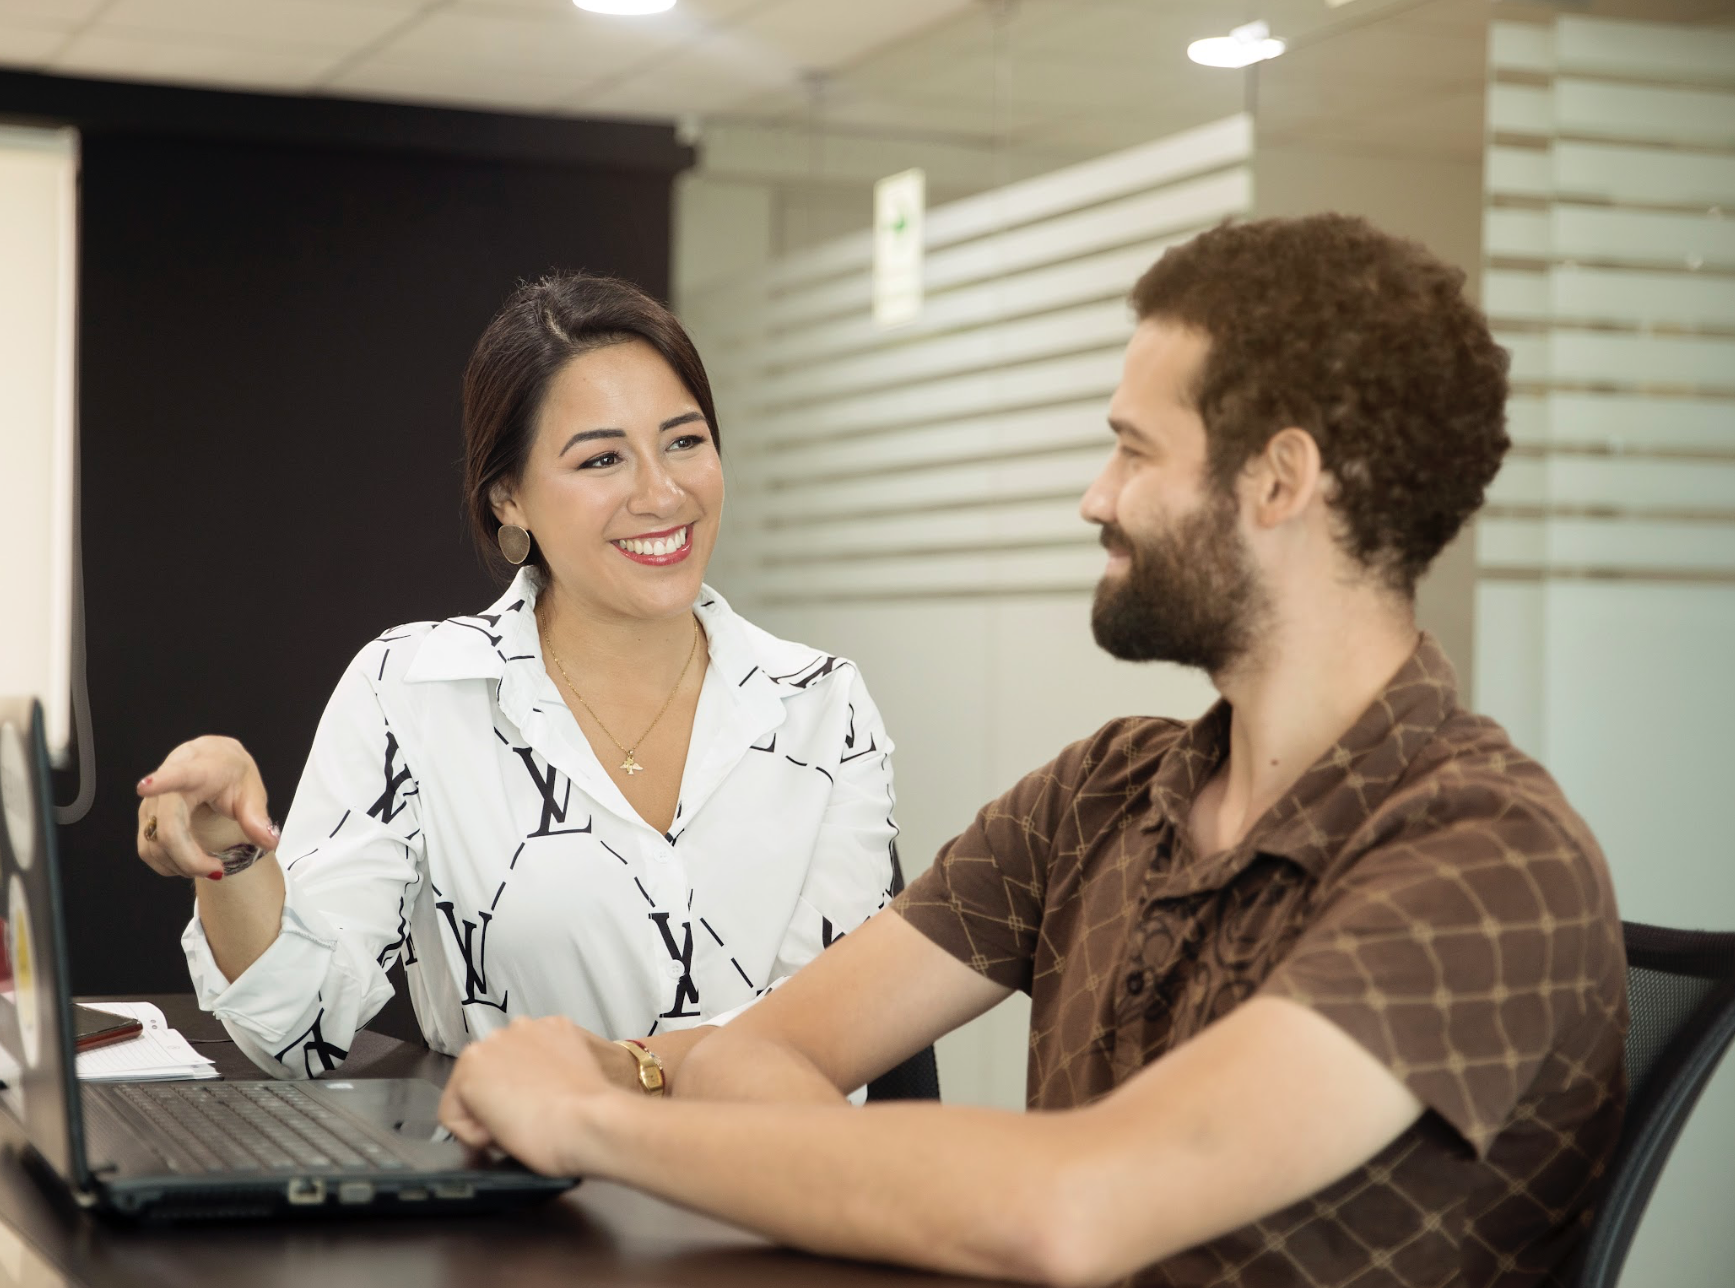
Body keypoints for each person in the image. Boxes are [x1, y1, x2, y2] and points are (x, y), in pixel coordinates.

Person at [434, 215, 1629, 1288]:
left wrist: (584, 1123)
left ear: (1277, 481)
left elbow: (1072, 1209)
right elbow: (761, 1053)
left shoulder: (1486, 858)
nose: (1093, 496)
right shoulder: (1100, 793)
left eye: (1133, 451)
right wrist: (897, 1191)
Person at [133, 273, 899, 1089]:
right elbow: (298, 1032)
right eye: (602, 458)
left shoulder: (822, 705)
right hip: (528, 1203)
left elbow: (839, 1023)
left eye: (685, 441)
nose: (662, 491)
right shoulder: (415, 693)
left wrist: (625, 1074)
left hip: (778, 1197)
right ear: (509, 497)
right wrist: (232, 851)